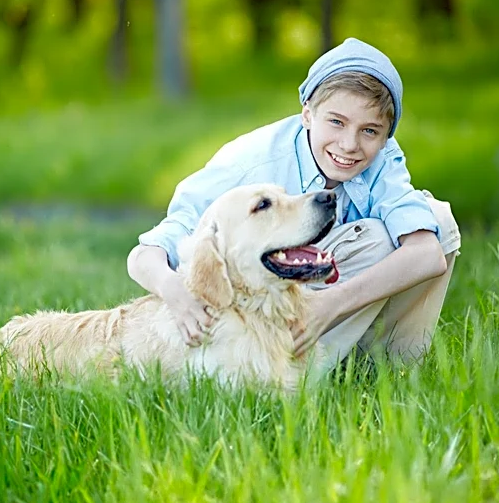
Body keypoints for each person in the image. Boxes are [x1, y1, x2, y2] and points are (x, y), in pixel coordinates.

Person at [127, 38, 461, 366]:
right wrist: (175, 294)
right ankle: (291, 368)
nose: (349, 144)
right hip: (261, 315)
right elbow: (147, 253)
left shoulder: (381, 161)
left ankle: (389, 369)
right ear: (307, 115)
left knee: (436, 220)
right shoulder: (251, 163)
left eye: (370, 131)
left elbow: (427, 253)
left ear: (386, 136)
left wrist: (330, 305)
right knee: (375, 239)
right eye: (336, 122)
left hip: (324, 302)